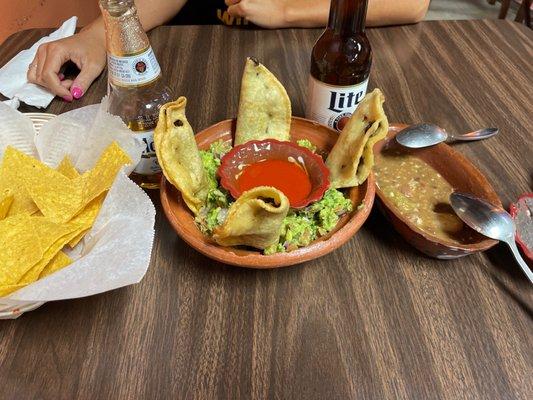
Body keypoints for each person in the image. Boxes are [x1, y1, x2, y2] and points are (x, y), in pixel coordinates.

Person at [27, 0, 429, 102]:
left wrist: (285, 10)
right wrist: (98, 37)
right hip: (197, 68)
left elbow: (411, 4)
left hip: (319, 63)